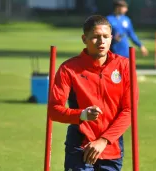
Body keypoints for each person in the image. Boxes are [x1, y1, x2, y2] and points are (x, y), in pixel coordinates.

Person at [48, 15, 138, 171]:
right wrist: (81, 115)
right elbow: (54, 110)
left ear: (111, 38)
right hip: (79, 145)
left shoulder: (125, 66)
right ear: (84, 39)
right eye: (96, 37)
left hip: (112, 146)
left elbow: (129, 111)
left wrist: (103, 141)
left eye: (105, 36)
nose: (102, 41)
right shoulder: (69, 69)